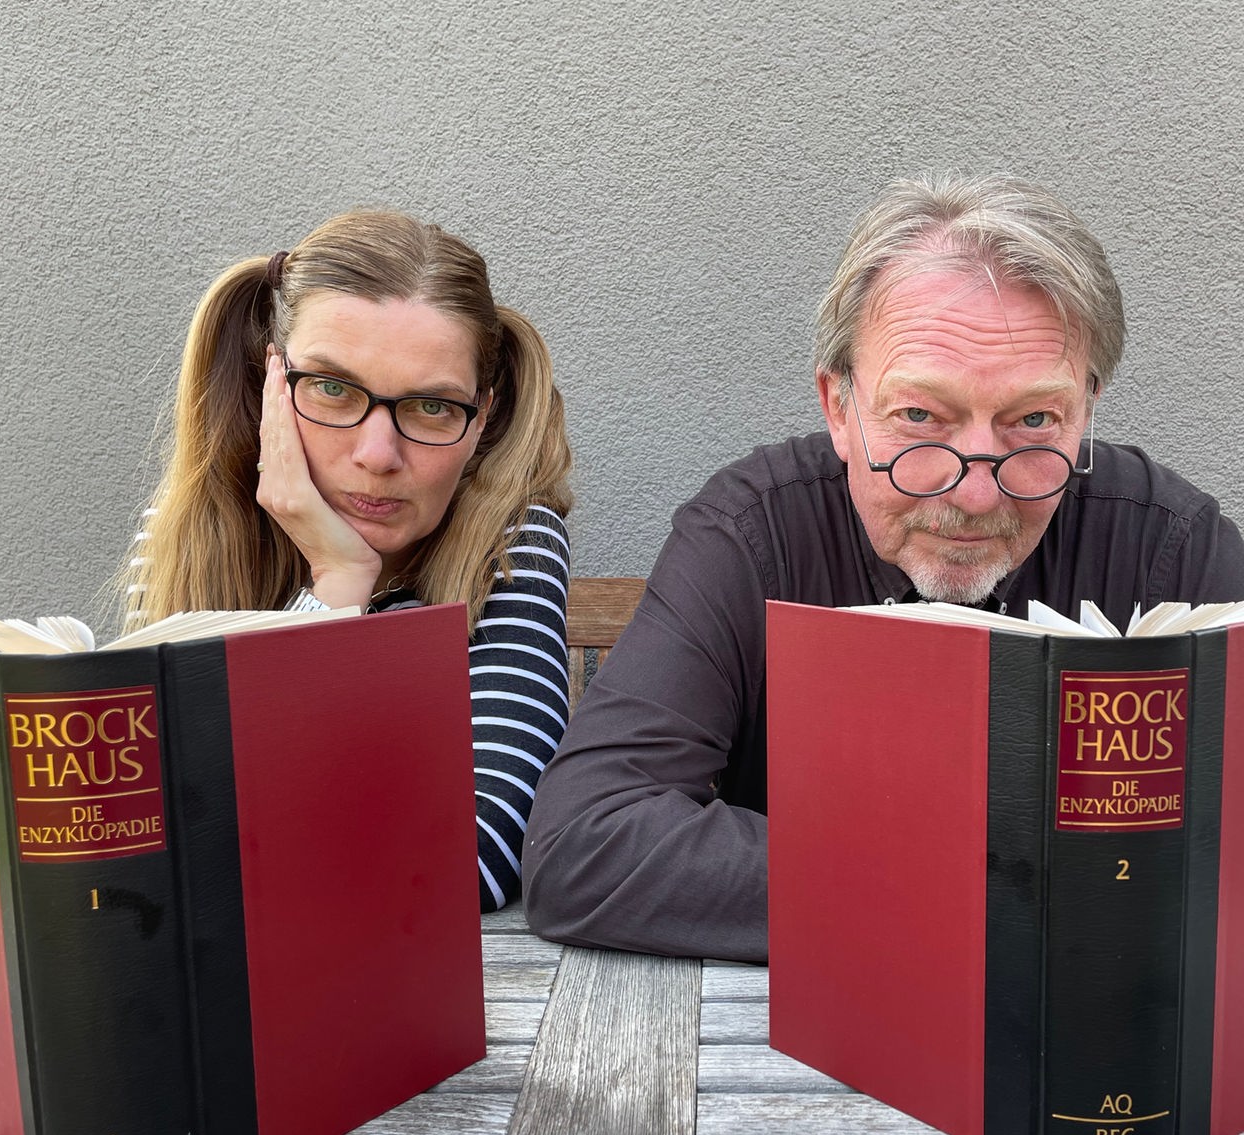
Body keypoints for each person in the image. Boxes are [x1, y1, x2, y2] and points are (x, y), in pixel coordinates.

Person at [522, 173, 1244, 962]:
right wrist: (991, 891)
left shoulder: (1166, 543)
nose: (972, 493)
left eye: (1033, 421)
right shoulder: (753, 533)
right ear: (839, 408)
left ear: (1088, 411)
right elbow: (585, 842)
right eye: (919, 417)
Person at [122, 210, 573, 911]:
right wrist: (333, 589)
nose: (377, 455)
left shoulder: (512, 543)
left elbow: (470, 859)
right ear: (272, 381)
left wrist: (338, 576)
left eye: (430, 407)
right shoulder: (187, 534)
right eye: (333, 389)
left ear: (481, 417)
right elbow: (157, 839)